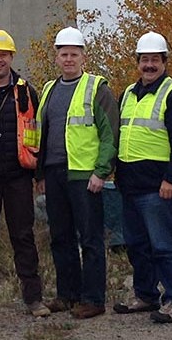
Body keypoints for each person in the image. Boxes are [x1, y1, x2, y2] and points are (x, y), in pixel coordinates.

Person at [35, 26, 119, 319]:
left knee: (90, 239)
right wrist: (40, 174)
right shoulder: (49, 89)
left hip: (85, 175)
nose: (68, 59)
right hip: (55, 173)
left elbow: (110, 135)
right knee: (60, 236)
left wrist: (101, 171)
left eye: (74, 54)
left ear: (83, 57)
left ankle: (93, 299)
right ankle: (67, 294)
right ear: (56, 57)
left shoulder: (97, 88)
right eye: (63, 54)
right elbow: (42, 134)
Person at [0, 30, 51, 318]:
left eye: (4, 55)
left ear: (12, 57)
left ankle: (34, 299)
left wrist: (39, 174)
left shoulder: (27, 91)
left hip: (18, 176)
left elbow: (40, 134)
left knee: (23, 237)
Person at [113, 32, 172, 323]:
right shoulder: (127, 95)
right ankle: (145, 295)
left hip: (160, 187)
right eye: (144, 60)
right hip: (130, 185)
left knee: (165, 245)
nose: (149, 65)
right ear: (137, 63)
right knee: (137, 245)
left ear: (164, 62)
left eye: (154, 60)